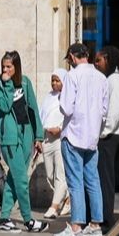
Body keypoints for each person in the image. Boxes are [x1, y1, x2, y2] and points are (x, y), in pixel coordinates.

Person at [54, 42, 107, 236]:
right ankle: (95, 224)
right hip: (92, 136)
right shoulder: (101, 78)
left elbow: (66, 108)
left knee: (75, 182)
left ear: (73, 57)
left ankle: (76, 225)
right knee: (93, 180)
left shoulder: (72, 76)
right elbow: (104, 110)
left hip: (74, 134)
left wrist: (60, 98)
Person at [0, 51, 45, 233]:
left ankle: (4, 219)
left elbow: (33, 109)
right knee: (21, 179)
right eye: (3, 66)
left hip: (26, 134)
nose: (5, 69)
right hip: (9, 137)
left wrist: (38, 136)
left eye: (9, 67)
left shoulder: (26, 82)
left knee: (13, 179)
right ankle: (28, 220)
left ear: (16, 67)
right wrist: (7, 84)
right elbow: (4, 106)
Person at [94, 46, 119, 224]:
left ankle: (106, 218)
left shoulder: (115, 80)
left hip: (109, 135)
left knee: (105, 178)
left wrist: (102, 133)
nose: (96, 64)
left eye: (99, 60)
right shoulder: (109, 79)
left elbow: (115, 111)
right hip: (106, 134)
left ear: (108, 59)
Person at [38, 72, 69, 220]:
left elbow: (71, 116)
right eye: (53, 80)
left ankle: (54, 207)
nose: (54, 83)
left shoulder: (68, 96)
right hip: (47, 138)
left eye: (57, 80)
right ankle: (68, 197)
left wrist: (60, 129)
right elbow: (41, 115)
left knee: (60, 174)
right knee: (49, 174)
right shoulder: (48, 97)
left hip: (60, 138)